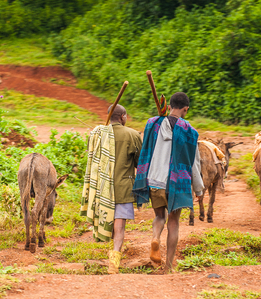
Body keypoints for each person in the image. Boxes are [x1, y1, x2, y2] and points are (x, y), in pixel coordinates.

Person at [133, 92, 205, 272]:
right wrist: (199, 189)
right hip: (176, 183)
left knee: (159, 217)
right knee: (173, 223)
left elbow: (146, 148)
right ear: (185, 109)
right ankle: (168, 266)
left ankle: (155, 237)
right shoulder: (189, 131)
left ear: (170, 105)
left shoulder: (153, 124)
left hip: (154, 180)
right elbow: (193, 162)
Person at [80, 104, 142, 274]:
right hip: (124, 186)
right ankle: (114, 260)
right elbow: (139, 163)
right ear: (122, 117)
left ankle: (111, 251)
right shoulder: (132, 134)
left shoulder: (97, 135)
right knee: (119, 225)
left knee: (108, 218)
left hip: (101, 188)